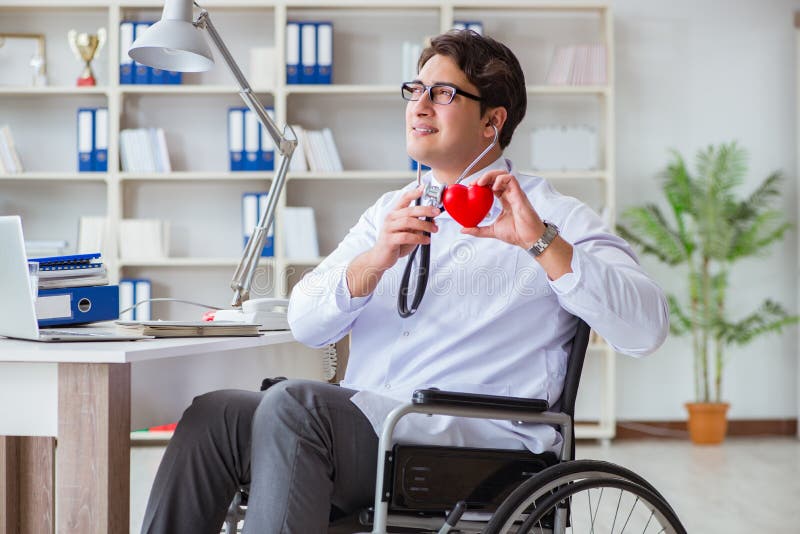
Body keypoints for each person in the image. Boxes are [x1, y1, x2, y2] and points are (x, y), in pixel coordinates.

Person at [141, 31, 669, 534]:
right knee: (215, 415)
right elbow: (305, 322)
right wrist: (375, 260)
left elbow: (645, 330)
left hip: (468, 447)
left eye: (443, 93)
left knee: (296, 407)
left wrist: (540, 242)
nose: (419, 105)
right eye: (415, 90)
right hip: (371, 427)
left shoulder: (556, 217)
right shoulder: (390, 212)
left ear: (492, 120)